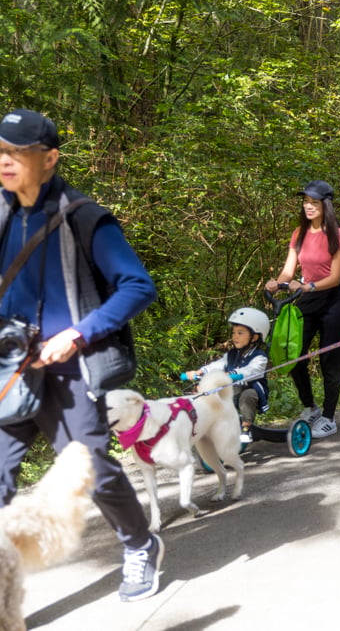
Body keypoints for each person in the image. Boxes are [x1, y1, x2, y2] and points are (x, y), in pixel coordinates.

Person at [0, 109, 162, 602]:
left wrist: (79, 333)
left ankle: (140, 544)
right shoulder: (2, 213)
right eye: (1, 151)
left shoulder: (84, 216)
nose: (5, 162)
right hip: (11, 369)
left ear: (49, 159)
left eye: (18, 153)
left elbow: (138, 285)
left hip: (70, 374)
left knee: (92, 469)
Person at [266, 180, 340, 439]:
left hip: (334, 301)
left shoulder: (338, 234)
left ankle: (329, 417)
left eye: (314, 202)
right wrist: (277, 283)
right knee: (293, 354)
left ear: (325, 205)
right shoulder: (299, 234)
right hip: (307, 299)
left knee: (330, 361)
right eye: (305, 202)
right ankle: (310, 407)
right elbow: (288, 270)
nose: (308, 207)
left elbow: (335, 278)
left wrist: (308, 285)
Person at [184, 308, 270, 444]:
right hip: (234, 388)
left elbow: (251, 371)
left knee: (247, 396)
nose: (235, 336)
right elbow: (217, 365)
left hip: (253, 390)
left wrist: (231, 375)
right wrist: (201, 372)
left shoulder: (260, 357)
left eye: (240, 333)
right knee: (214, 395)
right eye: (234, 333)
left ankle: (246, 428)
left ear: (254, 337)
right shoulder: (231, 354)